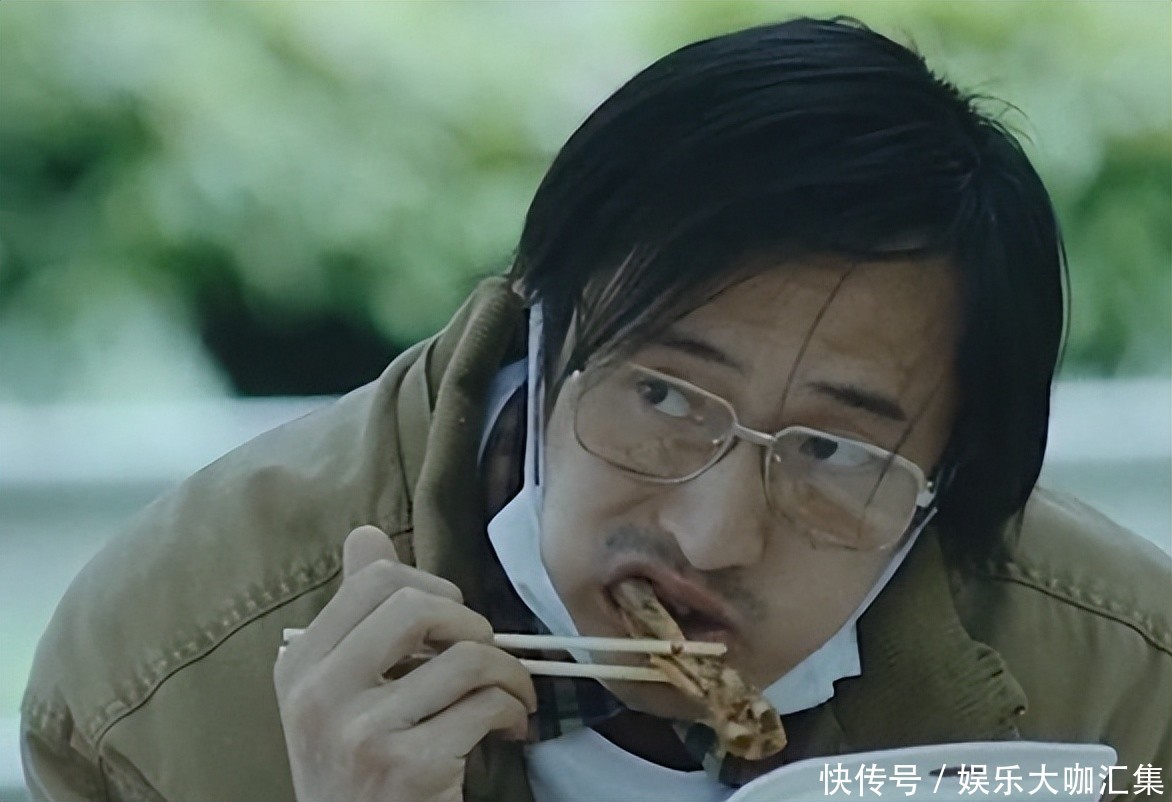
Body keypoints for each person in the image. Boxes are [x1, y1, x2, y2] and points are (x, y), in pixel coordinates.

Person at [21, 16, 1170, 802]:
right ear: (541, 330)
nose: (710, 536)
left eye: (828, 449)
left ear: (948, 480)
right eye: (663, 395)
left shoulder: (1125, 685)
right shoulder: (161, 673)